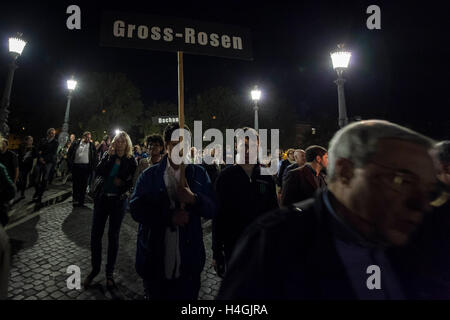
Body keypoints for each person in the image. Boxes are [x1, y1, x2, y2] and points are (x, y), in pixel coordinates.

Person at [217, 120, 441, 300]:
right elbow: (222, 213)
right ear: (346, 172)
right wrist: (219, 250)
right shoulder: (277, 240)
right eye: (401, 181)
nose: (420, 204)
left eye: (431, 191)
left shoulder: (419, 242)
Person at [130, 123, 216, 300]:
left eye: (184, 143)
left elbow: (212, 208)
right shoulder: (149, 175)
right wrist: (168, 216)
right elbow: (136, 209)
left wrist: (194, 199)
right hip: (155, 259)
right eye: (175, 143)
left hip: (189, 261)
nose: (180, 148)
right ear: (167, 145)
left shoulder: (198, 174)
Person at [212, 127, 278, 278]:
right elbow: (219, 215)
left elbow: (273, 211)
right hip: (233, 245)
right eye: (245, 145)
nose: (248, 150)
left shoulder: (266, 176)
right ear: (237, 146)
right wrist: (217, 251)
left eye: (253, 146)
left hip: (261, 245)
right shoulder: (225, 177)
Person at [83, 131, 137, 293]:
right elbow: (98, 171)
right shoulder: (108, 155)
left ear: (127, 144)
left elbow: (130, 183)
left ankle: (109, 273)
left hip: (118, 202)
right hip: (102, 200)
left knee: (113, 237)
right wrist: (109, 156)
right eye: (117, 141)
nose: (119, 143)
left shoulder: (131, 161)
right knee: (95, 235)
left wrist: (122, 183)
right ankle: (95, 269)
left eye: (122, 141)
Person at [67, 132, 97, 207]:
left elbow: (95, 157)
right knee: (76, 183)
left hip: (86, 167)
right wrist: (70, 163)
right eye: (87, 137)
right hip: (76, 166)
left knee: (83, 184)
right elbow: (70, 153)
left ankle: (81, 201)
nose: (88, 139)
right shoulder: (76, 143)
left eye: (89, 138)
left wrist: (93, 167)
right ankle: (75, 199)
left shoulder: (91, 145)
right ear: (83, 136)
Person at [33, 128, 58, 203]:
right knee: (36, 179)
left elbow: (53, 153)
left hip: (48, 163)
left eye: (53, 133)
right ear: (48, 133)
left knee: (44, 179)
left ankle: (40, 195)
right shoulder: (43, 140)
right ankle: (37, 191)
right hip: (40, 161)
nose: (52, 134)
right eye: (51, 133)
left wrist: (44, 159)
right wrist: (40, 157)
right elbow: (37, 149)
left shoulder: (55, 142)